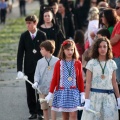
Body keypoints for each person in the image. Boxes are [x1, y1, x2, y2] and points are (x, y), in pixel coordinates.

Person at [81, 37, 120, 120]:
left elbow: (114, 82)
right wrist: (87, 100)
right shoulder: (91, 63)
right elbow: (88, 83)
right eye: (100, 47)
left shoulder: (112, 63)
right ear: (96, 48)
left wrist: (118, 98)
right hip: (95, 97)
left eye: (104, 46)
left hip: (109, 98)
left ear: (108, 48)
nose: (102, 49)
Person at [45, 39, 85, 120]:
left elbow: (80, 79)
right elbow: (54, 79)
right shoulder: (59, 63)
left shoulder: (77, 63)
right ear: (63, 50)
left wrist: (82, 93)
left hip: (73, 92)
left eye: (72, 49)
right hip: (62, 92)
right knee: (65, 116)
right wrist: (50, 92)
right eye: (67, 49)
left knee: (73, 115)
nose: (70, 52)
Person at [17, 15, 47, 119]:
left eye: (30, 23)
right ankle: (33, 111)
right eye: (27, 23)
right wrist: (19, 70)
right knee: (30, 91)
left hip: (40, 68)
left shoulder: (42, 35)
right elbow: (20, 54)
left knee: (40, 90)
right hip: (29, 67)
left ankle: (40, 112)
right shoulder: (24, 36)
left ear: (35, 23)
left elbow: (47, 52)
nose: (28, 25)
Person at [32, 40, 59, 120]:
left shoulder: (57, 61)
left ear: (48, 50)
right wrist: (36, 82)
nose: (40, 51)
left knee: (53, 107)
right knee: (44, 108)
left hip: (53, 89)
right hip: (42, 89)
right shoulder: (39, 62)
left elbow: (59, 74)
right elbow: (37, 74)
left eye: (42, 49)